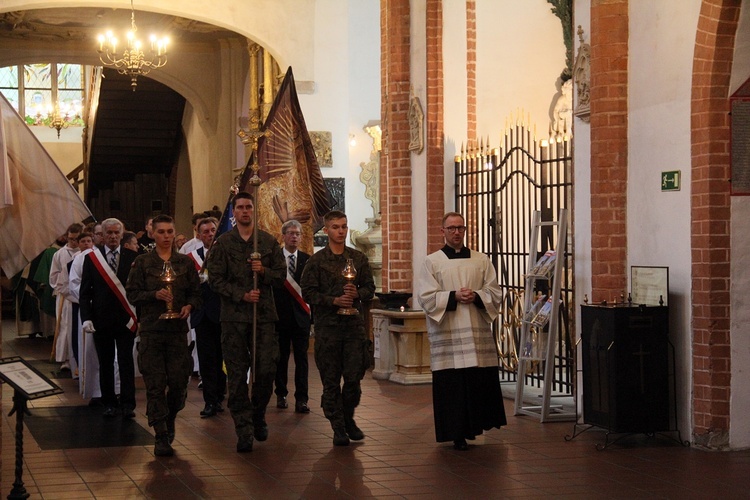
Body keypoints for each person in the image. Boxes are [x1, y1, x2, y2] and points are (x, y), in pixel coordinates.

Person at [417, 212, 507, 450]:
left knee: (475, 381)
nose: (456, 232)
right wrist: (453, 296)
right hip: (448, 332)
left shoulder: (481, 260)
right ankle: (456, 432)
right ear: (443, 231)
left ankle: (474, 428)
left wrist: (477, 295)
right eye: (451, 228)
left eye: (460, 228)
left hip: (475, 331)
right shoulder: (432, 261)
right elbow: (426, 297)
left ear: (465, 230)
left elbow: (495, 291)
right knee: (453, 384)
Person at [206, 192, 285, 453]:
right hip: (234, 319)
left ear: (254, 210)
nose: (244, 211)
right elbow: (215, 280)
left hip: (263, 318)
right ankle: (243, 427)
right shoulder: (223, 243)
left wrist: (262, 271)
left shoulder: (268, 242)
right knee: (238, 376)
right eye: (240, 207)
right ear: (234, 213)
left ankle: (258, 413)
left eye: (249, 207)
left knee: (265, 371)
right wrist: (241, 294)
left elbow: (280, 276)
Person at [126, 214, 201, 457]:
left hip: (177, 332)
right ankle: (160, 434)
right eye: (162, 232)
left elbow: (195, 292)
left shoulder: (185, 263)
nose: (167, 237)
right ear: (153, 234)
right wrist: (153, 295)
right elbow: (132, 294)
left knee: (179, 383)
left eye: (170, 232)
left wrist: (189, 305)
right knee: (156, 385)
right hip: (152, 331)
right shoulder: (143, 262)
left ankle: (169, 417)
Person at [300, 210, 375, 446]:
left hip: (353, 328)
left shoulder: (358, 259)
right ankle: (338, 427)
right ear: (326, 230)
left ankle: (348, 416)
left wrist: (358, 293)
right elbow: (308, 293)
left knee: (353, 379)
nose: (340, 231)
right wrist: (333, 300)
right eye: (335, 227)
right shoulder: (317, 262)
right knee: (331, 381)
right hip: (329, 330)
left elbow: (370, 288)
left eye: (343, 226)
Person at [79, 218, 139, 419]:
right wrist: (86, 318)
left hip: (126, 319)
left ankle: (128, 404)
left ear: (122, 235)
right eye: (109, 233)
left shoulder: (134, 257)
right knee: (105, 362)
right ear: (101, 236)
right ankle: (109, 403)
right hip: (101, 320)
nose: (113, 236)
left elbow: (138, 289)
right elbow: (85, 292)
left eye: (116, 233)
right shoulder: (92, 259)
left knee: (126, 362)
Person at [188, 217, 226, 417]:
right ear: (199, 235)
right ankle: (210, 401)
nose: (210, 234)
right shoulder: (192, 257)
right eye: (206, 231)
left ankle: (220, 394)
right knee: (206, 359)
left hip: (224, 313)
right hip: (202, 315)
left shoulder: (225, 255)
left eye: (213, 230)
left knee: (223, 357)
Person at [273, 220, 312, 413]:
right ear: (283, 235)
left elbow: (310, 290)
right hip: (279, 318)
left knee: (302, 360)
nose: (294, 236)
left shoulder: (307, 259)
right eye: (290, 233)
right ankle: (281, 393)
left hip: (301, 318)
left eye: (297, 233)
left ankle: (302, 398)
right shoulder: (275, 259)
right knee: (280, 359)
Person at [68, 230, 101, 401]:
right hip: (88, 308)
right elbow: (74, 282)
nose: (87, 243)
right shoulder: (79, 259)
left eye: (90, 240)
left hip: (105, 309)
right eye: (84, 241)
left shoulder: (101, 256)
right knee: (89, 349)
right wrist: (88, 297)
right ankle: (93, 389)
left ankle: (111, 389)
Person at [49, 222, 83, 370]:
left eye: (76, 239)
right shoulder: (60, 254)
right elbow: (53, 276)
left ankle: (80, 357)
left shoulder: (85, 253)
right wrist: (65, 288)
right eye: (70, 239)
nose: (73, 242)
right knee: (66, 326)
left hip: (81, 296)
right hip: (65, 297)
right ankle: (66, 359)